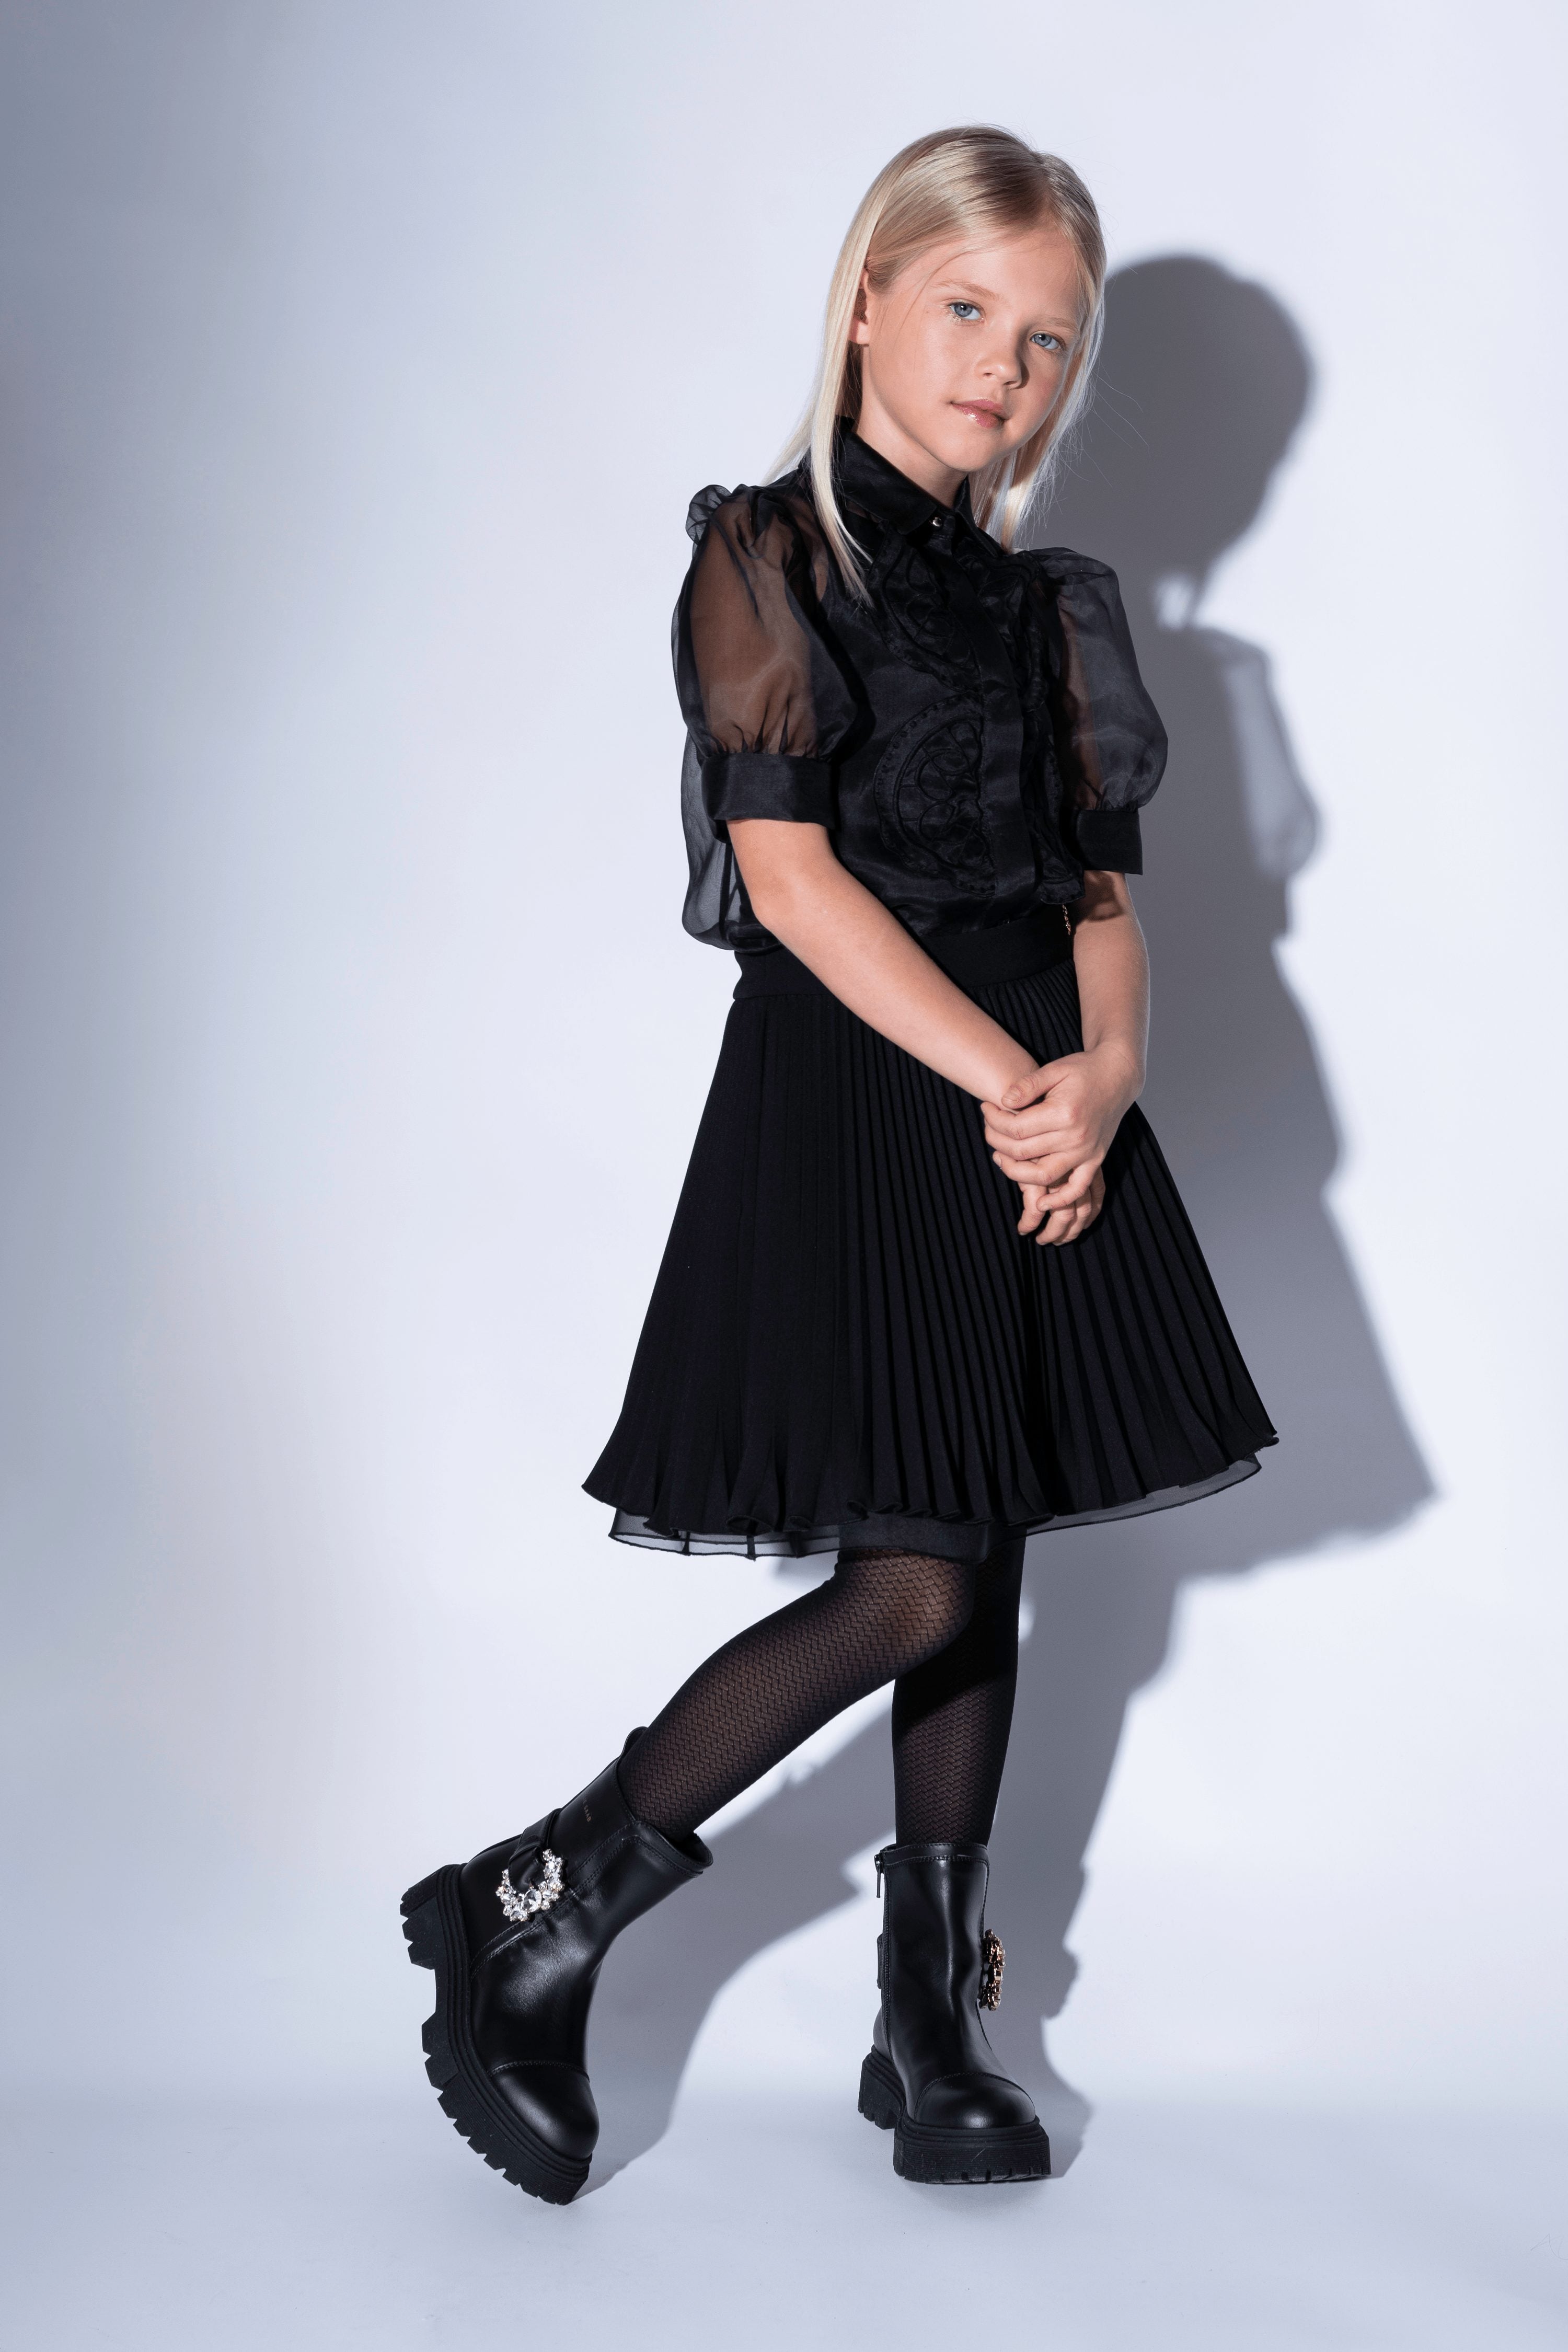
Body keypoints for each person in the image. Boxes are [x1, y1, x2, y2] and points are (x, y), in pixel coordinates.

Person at [400, 124, 1276, 2204]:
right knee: (913, 1575)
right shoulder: (770, 553)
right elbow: (788, 881)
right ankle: (536, 1901)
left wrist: (1105, 1074)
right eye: (966, 309)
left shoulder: (1050, 604)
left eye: (1045, 340)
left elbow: (1098, 893)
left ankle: (931, 2016)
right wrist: (1007, 1077)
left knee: (989, 1539)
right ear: (868, 302)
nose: (1001, 365)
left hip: (1042, 1094)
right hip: (876, 1083)